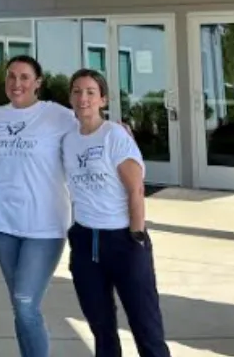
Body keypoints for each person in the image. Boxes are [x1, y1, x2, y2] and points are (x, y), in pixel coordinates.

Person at [63, 68, 171, 357]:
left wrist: (136, 235)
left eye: (90, 92)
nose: (83, 98)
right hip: (85, 242)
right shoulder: (68, 139)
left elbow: (136, 189)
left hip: (123, 240)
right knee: (102, 329)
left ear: (103, 99)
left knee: (146, 327)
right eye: (77, 92)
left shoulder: (114, 135)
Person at [0, 55, 76, 357]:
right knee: (20, 305)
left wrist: (117, 131)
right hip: (4, 225)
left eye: (24, 77)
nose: (17, 83)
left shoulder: (57, 115)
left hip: (44, 227)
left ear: (38, 82)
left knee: (26, 304)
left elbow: (92, 129)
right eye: (11, 76)